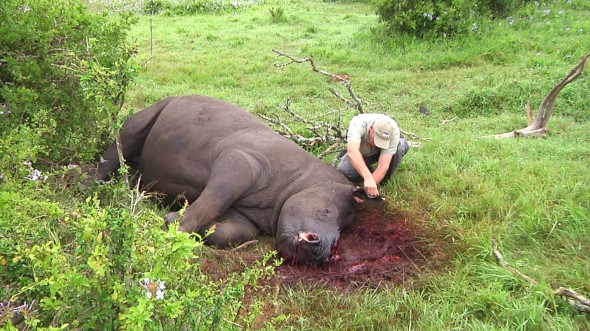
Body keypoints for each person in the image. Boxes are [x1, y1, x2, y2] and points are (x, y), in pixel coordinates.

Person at [338, 114, 409, 198]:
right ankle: (368, 170)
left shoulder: (393, 131)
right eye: (376, 139)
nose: (376, 144)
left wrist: (365, 191)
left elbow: (383, 165)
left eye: (381, 141)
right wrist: (368, 177)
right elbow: (352, 151)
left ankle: (383, 181)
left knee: (399, 147)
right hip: (362, 152)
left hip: (382, 153)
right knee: (345, 170)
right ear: (371, 128)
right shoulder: (358, 123)